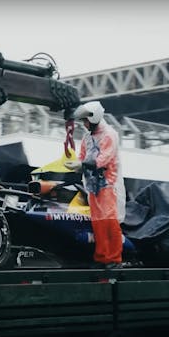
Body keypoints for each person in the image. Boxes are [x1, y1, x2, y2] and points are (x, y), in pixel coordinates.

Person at [64, 101, 126, 269]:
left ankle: (115, 259)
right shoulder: (87, 137)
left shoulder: (109, 135)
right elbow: (82, 155)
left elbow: (104, 158)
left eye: (86, 120)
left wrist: (82, 165)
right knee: (98, 221)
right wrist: (75, 163)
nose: (84, 124)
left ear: (95, 117)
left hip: (107, 184)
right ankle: (102, 258)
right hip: (92, 185)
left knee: (109, 221)